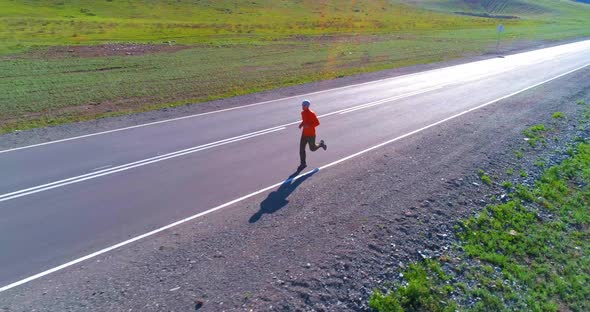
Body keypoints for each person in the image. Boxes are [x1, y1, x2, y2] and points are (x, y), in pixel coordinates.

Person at [298, 100, 326, 170]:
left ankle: (321, 144)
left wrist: (309, 126)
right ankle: (303, 164)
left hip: (311, 135)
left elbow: (317, 123)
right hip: (304, 134)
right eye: (302, 105)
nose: (302, 106)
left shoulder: (312, 113)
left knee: (312, 149)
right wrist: (301, 124)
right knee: (301, 149)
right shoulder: (303, 113)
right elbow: (304, 120)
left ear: (307, 106)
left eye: (304, 105)